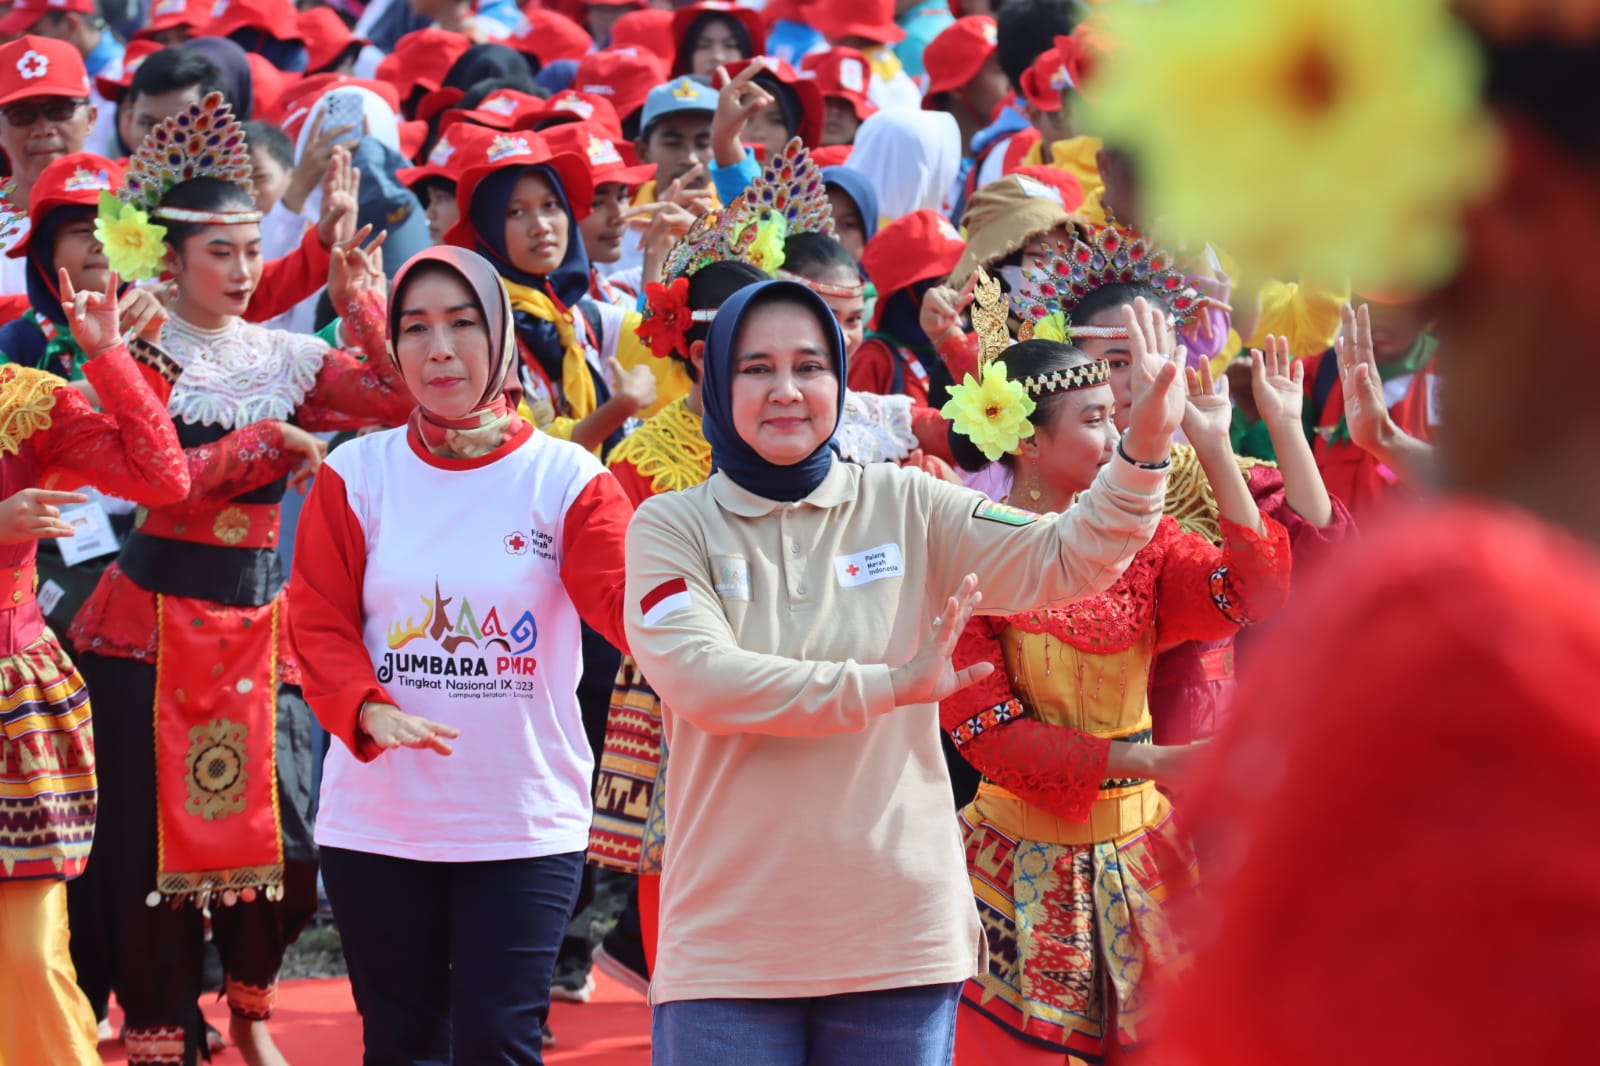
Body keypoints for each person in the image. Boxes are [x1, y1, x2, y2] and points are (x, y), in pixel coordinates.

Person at [623, 279, 1193, 1064]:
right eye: (756, 369)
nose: (786, 391)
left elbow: (1069, 558)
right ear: (718, 382)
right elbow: (702, 680)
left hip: (898, 939)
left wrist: (1143, 456)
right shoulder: (670, 526)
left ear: (842, 379)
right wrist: (891, 685)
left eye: (810, 366)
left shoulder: (910, 504)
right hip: (731, 949)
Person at [68, 92, 412, 1066]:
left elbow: (393, 399)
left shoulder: (288, 356)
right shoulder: (128, 351)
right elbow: (156, 478)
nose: (245, 267)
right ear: (168, 261)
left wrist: (357, 295)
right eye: (221, 250)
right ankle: (163, 1023)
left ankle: (253, 1004)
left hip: (263, 618)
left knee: (293, 846)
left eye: (254, 247)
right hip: (150, 620)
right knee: (151, 849)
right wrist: (265, 439)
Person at [288, 245, 636, 1064]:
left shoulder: (566, 478)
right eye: (415, 329)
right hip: (379, 819)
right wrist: (369, 708)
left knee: (497, 1040)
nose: (439, 348)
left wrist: (699, 628)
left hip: (521, 820)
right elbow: (317, 621)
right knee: (403, 1042)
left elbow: (626, 601)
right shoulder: (357, 473)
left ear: (504, 336)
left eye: (462, 323)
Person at [938, 311, 1291, 1062]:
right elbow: (992, 740)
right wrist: (1155, 764)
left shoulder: (1148, 542)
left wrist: (1216, 447)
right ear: (1029, 441)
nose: (1117, 433)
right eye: (1096, 419)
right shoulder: (970, 552)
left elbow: (1255, 595)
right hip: (1013, 860)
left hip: (1142, 855)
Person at [0, 270, 191, 1066]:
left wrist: (111, 354)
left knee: (28, 954)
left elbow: (161, 478)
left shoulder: (21, 400)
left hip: (12, 700)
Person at [443, 127, 685, 452]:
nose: (540, 225)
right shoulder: (475, 330)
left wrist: (699, 246)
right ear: (486, 228)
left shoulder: (578, 317)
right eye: (515, 211)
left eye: (551, 205)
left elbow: (677, 350)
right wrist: (619, 408)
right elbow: (520, 447)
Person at [0, 36, 99, 296]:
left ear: (90, 118)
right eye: (21, 115)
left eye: (59, 110)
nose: (43, 130)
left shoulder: (129, 207)